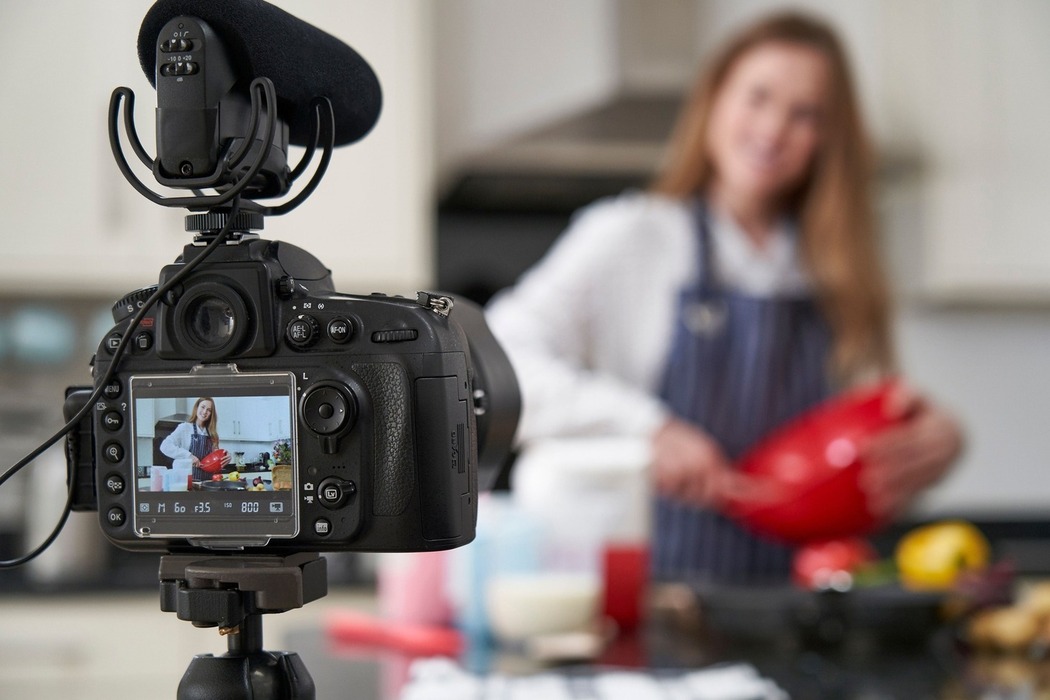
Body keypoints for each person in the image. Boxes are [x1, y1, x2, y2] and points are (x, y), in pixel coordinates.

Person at [485, 11, 962, 584]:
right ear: (713, 101)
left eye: (806, 114)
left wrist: (932, 443)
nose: (773, 129)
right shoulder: (631, 236)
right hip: (652, 594)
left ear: (827, 139)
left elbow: (861, 464)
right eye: (758, 97)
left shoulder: (839, 269)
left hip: (800, 601)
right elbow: (492, 363)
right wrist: (646, 430)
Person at [160, 397, 229, 485]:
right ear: (197, 408)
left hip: (207, 483)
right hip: (186, 482)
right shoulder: (184, 428)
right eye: (203, 407)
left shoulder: (212, 434)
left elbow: (215, 460)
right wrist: (189, 456)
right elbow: (165, 446)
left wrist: (225, 457)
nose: (205, 412)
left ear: (211, 414)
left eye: (209, 410)